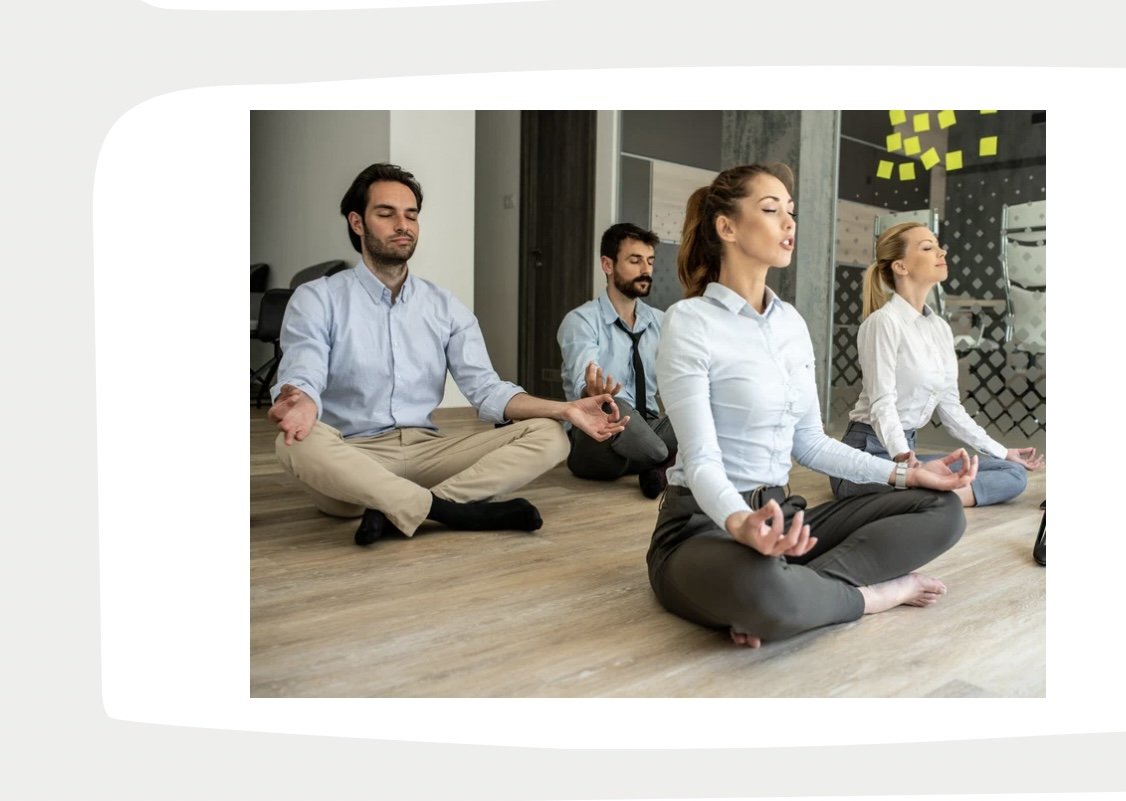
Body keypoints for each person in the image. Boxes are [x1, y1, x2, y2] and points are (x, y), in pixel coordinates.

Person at [648, 163, 976, 648]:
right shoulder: (690, 321)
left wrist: (907, 473)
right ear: (727, 227)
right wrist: (740, 523)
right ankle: (867, 597)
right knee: (759, 584)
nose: (789, 223)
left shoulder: (791, 324)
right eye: (771, 209)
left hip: (784, 518)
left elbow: (811, 442)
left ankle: (794, 596)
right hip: (703, 528)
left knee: (943, 510)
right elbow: (699, 459)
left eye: (791, 212)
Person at [269, 163, 626, 546]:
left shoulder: (445, 306)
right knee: (296, 443)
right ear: (357, 223)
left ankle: (401, 506)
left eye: (411, 215)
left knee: (550, 435)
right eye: (386, 213)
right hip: (352, 455)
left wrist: (566, 409)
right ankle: (451, 510)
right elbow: (303, 368)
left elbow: (488, 391)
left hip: (427, 453)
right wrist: (301, 400)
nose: (402, 225)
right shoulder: (318, 298)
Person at [843, 222, 1045, 508]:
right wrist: (904, 459)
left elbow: (951, 408)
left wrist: (1001, 451)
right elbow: (881, 404)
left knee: (1011, 473)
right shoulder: (883, 323)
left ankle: (925, 498)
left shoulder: (939, 327)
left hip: (905, 453)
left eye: (938, 245)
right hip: (867, 457)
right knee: (979, 479)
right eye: (928, 247)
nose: (941, 251)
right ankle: (927, 498)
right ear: (901, 267)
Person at [559, 223, 676, 497]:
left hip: (648, 426)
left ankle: (651, 459)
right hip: (599, 437)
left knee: (704, 407)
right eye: (635, 260)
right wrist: (593, 393)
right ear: (607, 265)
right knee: (613, 403)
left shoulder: (662, 321)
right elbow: (585, 383)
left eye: (649, 261)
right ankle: (663, 462)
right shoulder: (581, 321)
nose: (645, 269)